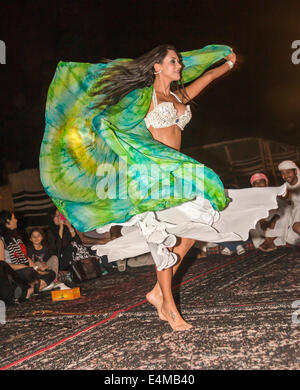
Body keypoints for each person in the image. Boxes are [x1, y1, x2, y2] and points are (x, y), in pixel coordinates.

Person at [40, 44, 286, 331]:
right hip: (153, 174)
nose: (179, 65)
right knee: (163, 240)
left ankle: (157, 293)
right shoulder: (143, 98)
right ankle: (168, 307)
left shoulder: (177, 96)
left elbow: (205, 80)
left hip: (175, 171)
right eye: (173, 61)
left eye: (179, 61)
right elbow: (108, 121)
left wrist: (227, 64)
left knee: (193, 232)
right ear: (156, 66)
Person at [0, 210, 56, 293]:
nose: (16, 220)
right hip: (15, 272)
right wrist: (24, 267)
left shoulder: (16, 238)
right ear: (8, 222)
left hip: (26, 270)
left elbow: (25, 257)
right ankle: (39, 286)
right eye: (14, 218)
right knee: (28, 272)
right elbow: (2, 265)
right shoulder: (1, 240)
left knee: (51, 273)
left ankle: (30, 290)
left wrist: (37, 269)